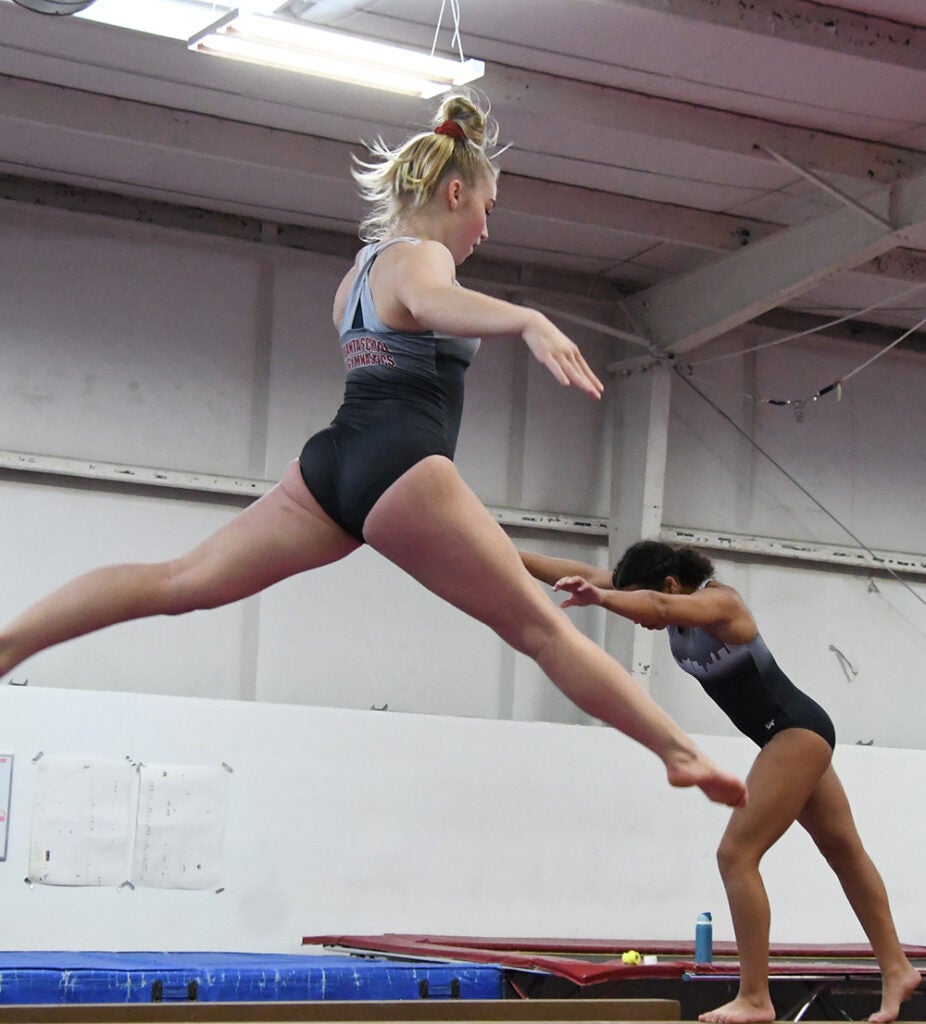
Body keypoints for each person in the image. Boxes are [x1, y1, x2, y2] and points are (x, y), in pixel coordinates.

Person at [0, 93, 746, 810]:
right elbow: (428, 302)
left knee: (179, 579)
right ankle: (678, 751)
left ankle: (13, 641)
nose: (486, 230)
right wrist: (527, 319)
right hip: (402, 462)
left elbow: (402, 323)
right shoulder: (421, 258)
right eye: (486, 209)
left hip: (333, 467)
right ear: (456, 194)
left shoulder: (355, 273)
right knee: (539, 630)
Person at [521, 540, 921, 1024]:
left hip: (795, 731)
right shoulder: (659, 590)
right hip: (790, 736)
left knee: (736, 854)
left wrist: (602, 600)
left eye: (636, 605)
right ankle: (896, 968)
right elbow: (580, 570)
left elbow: (659, 606)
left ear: (670, 582)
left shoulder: (722, 603)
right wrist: (501, 551)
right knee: (844, 851)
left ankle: (756, 996)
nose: (640, 621)